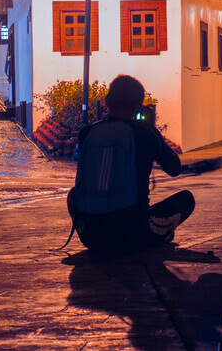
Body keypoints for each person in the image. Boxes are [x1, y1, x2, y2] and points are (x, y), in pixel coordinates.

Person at [67, 74, 195, 251]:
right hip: (135, 235)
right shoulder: (146, 133)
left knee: (73, 194)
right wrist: (154, 135)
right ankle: (155, 236)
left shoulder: (86, 132)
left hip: (92, 237)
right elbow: (175, 169)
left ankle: (92, 228)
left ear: (107, 101)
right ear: (138, 106)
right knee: (186, 199)